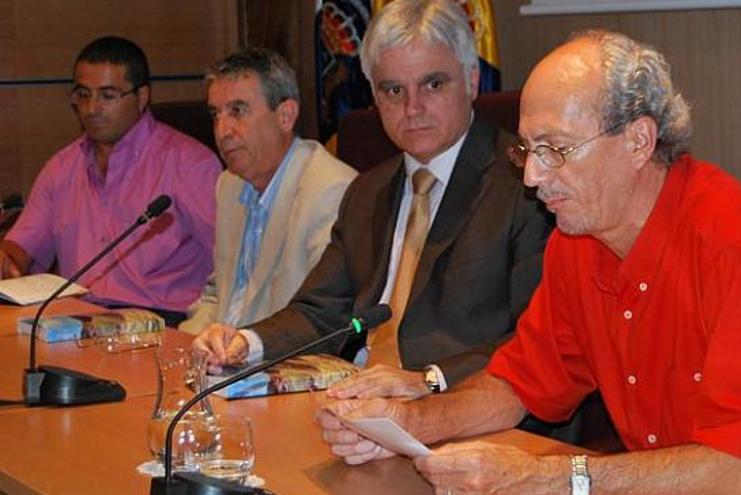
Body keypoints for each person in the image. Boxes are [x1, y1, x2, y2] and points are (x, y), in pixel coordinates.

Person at [316, 30, 741, 494]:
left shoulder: (725, 239)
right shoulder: (579, 238)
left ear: (638, 141)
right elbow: (521, 384)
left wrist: (556, 478)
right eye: (528, 150)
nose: (533, 178)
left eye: (555, 150)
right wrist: (404, 423)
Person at [193, 0, 551, 398]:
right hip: (358, 401)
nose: (412, 108)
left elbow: (538, 338)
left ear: (471, 80)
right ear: (374, 97)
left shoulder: (526, 186)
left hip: (467, 408)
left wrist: (429, 380)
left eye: (433, 84)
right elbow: (319, 312)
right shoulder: (367, 192)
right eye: (393, 90)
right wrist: (247, 342)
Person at [0, 36, 220, 325]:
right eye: (83, 94)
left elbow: (235, 262)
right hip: (77, 323)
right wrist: (6, 258)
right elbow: (21, 249)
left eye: (108, 95)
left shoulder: (191, 164)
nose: (91, 109)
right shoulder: (61, 167)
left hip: (161, 324)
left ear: (142, 98)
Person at [177, 49, 356, 335]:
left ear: (285, 115)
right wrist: (185, 343)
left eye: (238, 111)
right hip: (223, 361)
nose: (222, 131)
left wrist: (242, 349)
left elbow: (320, 317)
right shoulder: (229, 184)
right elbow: (218, 294)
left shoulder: (331, 191)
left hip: (281, 364)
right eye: (215, 114)